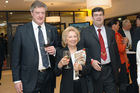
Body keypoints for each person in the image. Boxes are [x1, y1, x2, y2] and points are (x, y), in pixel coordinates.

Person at [11, 1, 60, 93]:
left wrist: (55, 51)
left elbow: (59, 48)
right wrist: (17, 80)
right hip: (29, 76)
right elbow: (15, 57)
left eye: (43, 13)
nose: (40, 15)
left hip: (49, 75)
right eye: (37, 13)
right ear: (32, 13)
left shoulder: (52, 29)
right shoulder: (21, 31)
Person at [78, 7, 121, 93]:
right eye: (96, 15)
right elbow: (80, 52)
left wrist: (118, 66)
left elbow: (115, 51)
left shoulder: (110, 32)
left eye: (100, 15)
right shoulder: (85, 32)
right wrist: (91, 61)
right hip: (94, 72)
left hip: (110, 70)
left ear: (104, 16)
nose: (98, 17)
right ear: (92, 17)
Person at [55, 26, 90, 93]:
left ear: (78, 38)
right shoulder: (60, 52)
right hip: (67, 87)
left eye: (75, 36)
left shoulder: (83, 51)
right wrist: (60, 64)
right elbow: (57, 73)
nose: (73, 39)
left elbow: (89, 69)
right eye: (70, 37)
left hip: (82, 86)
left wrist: (81, 68)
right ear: (66, 39)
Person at [107, 19, 130, 93]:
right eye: (118, 25)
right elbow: (121, 49)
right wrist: (125, 42)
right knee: (122, 82)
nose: (119, 26)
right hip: (121, 61)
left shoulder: (109, 35)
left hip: (115, 61)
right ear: (113, 26)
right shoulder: (116, 35)